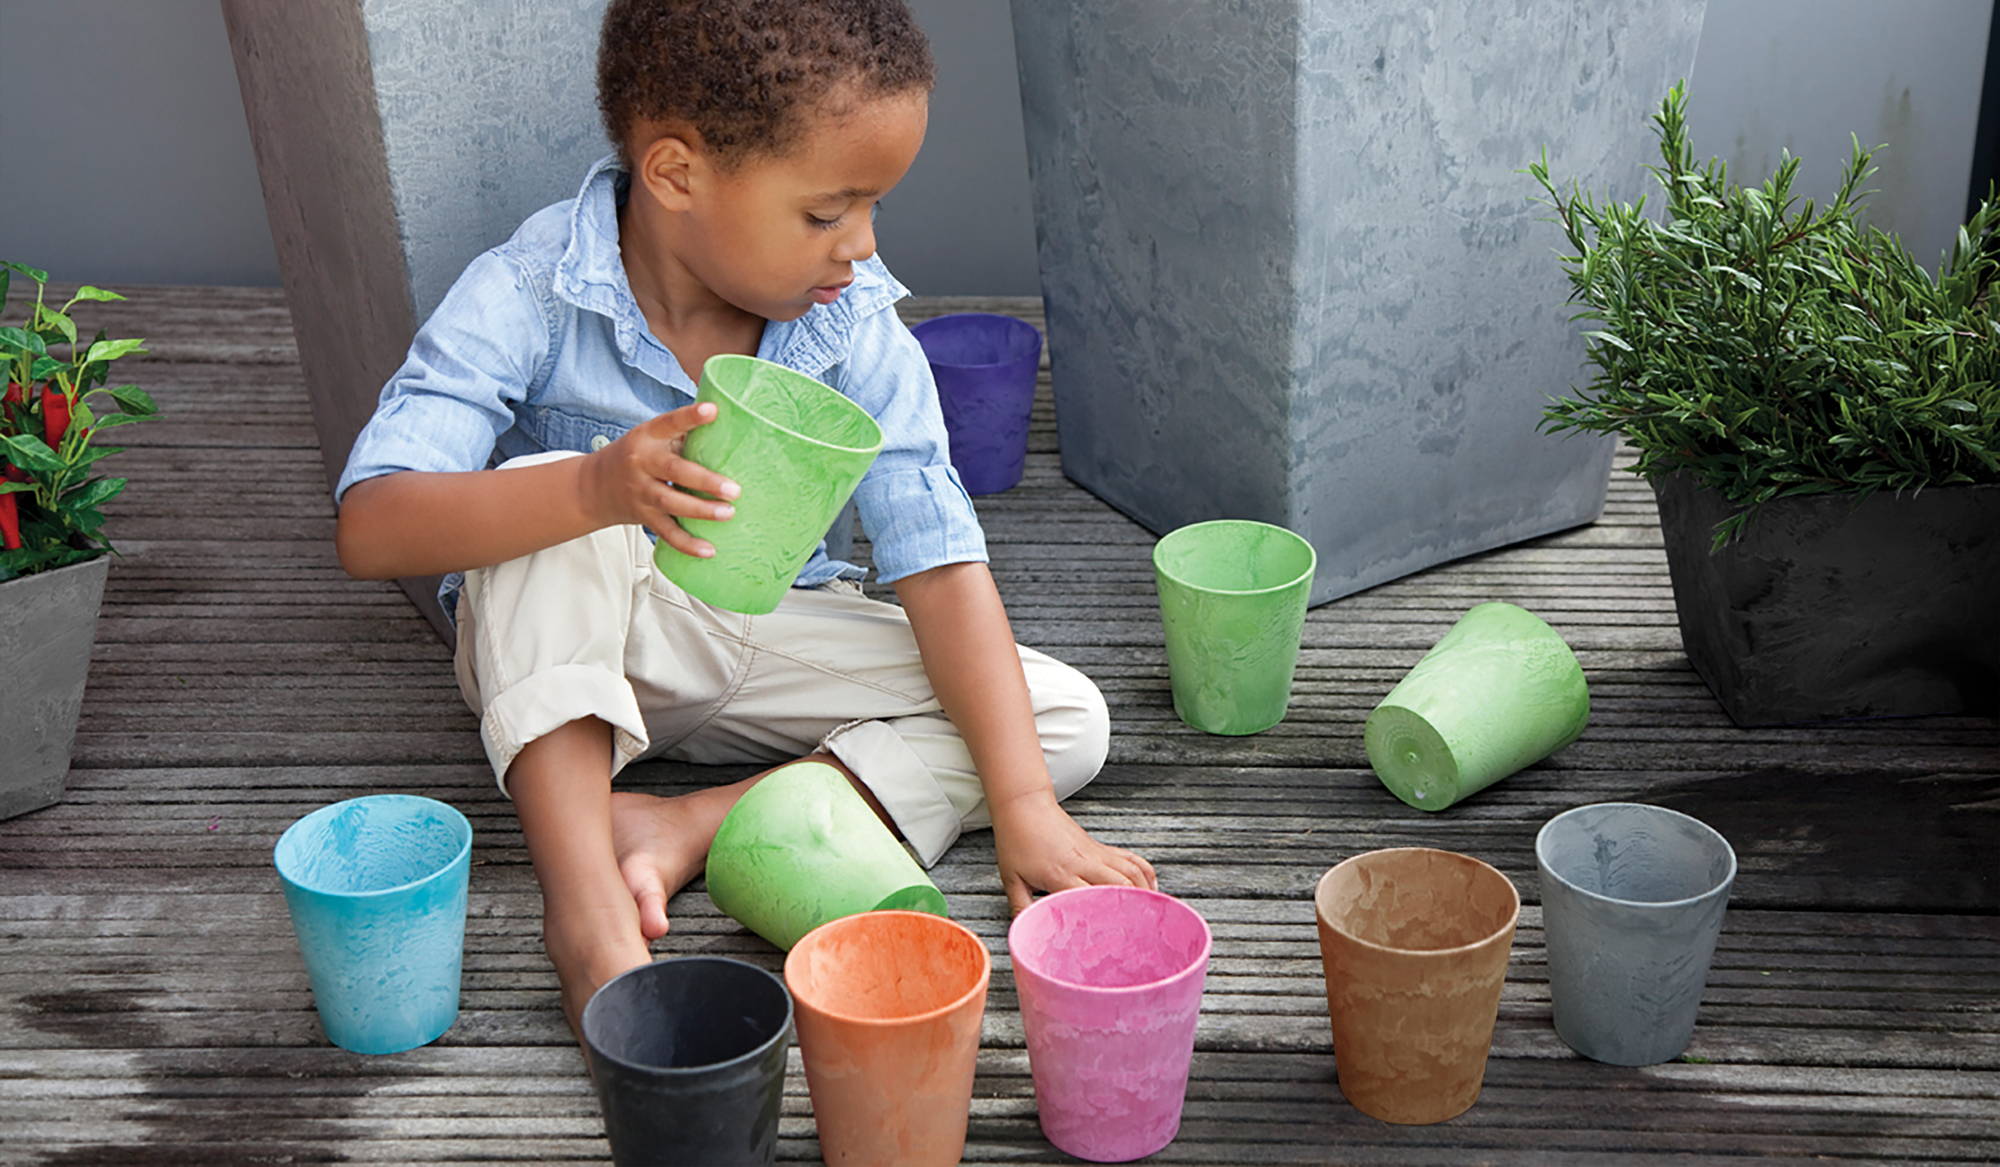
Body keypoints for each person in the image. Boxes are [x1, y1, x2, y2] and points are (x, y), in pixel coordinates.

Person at [332, 0, 1155, 1034]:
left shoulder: (847, 321)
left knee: (1058, 722)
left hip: (760, 638)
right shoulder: (530, 292)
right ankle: (584, 905)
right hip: (573, 659)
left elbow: (936, 561)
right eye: (825, 213)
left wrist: (1026, 809)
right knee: (553, 490)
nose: (857, 247)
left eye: (871, 209)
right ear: (676, 175)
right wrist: (593, 490)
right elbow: (372, 527)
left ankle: (683, 826)